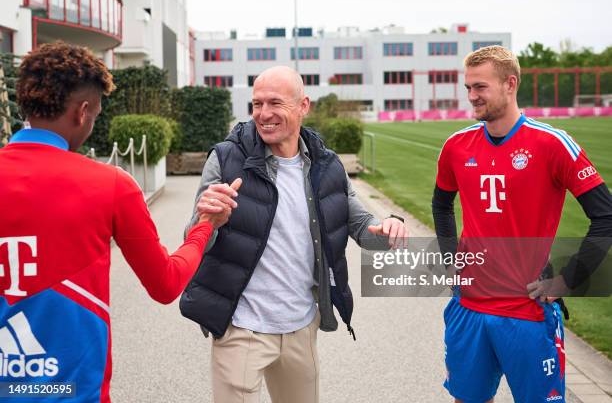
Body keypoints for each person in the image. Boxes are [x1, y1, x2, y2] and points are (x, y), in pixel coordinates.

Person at [0, 42, 230, 403]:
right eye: (96, 115)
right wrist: (205, 226)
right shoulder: (111, 185)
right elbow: (166, 283)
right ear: (83, 112)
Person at [179, 65, 406, 403]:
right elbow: (194, 238)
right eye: (257, 104)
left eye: (275, 103)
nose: (264, 114)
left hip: (300, 325)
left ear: (303, 106)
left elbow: (363, 228)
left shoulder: (327, 165)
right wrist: (208, 219)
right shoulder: (226, 159)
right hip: (242, 326)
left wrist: (390, 227)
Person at [432, 45, 612, 403]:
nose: (471, 96)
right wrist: (452, 259)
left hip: (526, 312)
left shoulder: (552, 144)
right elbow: (441, 203)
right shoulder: (456, 146)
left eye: (480, 87)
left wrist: (569, 279)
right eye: (468, 87)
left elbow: (605, 215)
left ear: (509, 84)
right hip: (469, 308)